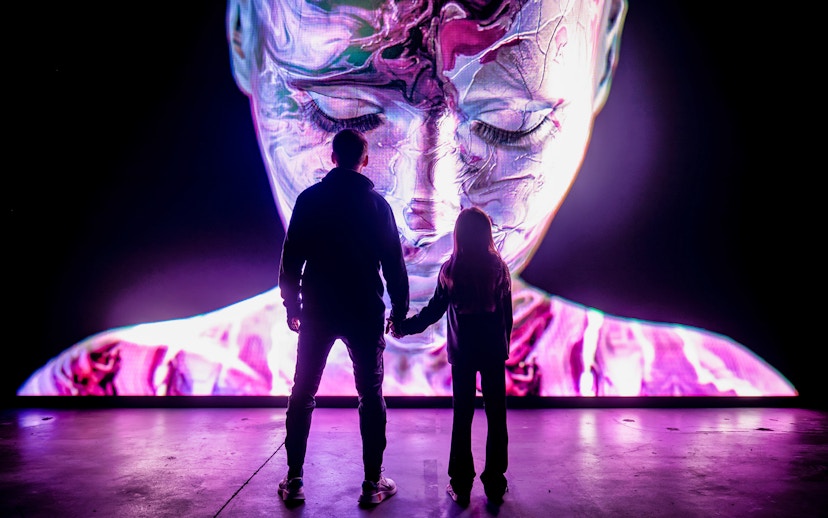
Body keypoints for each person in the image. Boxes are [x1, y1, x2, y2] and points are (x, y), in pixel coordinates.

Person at [17, 0, 798, 398]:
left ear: (603, 61)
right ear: (245, 40)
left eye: (506, 123)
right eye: (345, 115)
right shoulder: (110, 397)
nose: (424, 211)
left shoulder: (719, 403)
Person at [276, 128, 409, 506]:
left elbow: (290, 259)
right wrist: (399, 311)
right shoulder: (377, 207)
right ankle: (372, 484)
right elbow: (393, 266)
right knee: (371, 395)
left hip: (318, 308)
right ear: (364, 161)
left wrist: (293, 306)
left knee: (302, 393)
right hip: (364, 309)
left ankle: (295, 479)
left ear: (333, 157)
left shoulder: (309, 200)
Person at [392, 207, 512, 507]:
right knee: (497, 416)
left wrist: (403, 327)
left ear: (458, 235)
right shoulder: (499, 269)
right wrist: (504, 347)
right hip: (493, 352)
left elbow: (433, 312)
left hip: (464, 353)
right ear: (486, 233)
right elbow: (506, 317)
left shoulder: (451, 271)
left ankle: (460, 483)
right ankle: (495, 483)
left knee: (463, 417)